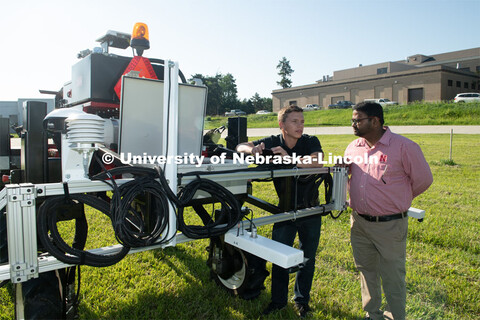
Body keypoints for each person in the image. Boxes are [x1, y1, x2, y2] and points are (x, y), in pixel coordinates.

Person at [343, 102, 433, 320]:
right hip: (360, 223)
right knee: (366, 271)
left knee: (392, 276)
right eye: (352, 120)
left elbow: (423, 180)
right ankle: (372, 314)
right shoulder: (353, 147)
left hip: (390, 225)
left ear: (375, 121)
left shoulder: (404, 147)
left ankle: (395, 316)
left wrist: (396, 199)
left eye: (358, 120)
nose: (354, 125)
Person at [236, 105, 324, 317]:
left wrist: (289, 159)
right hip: (284, 210)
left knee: (307, 258)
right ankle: (278, 301)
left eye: (302, 121)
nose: (300, 126)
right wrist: (253, 150)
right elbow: (240, 146)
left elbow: (318, 160)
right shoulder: (274, 141)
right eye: (294, 121)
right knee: (279, 256)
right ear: (281, 125)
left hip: (310, 209)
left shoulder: (310, 141)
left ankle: (302, 300)